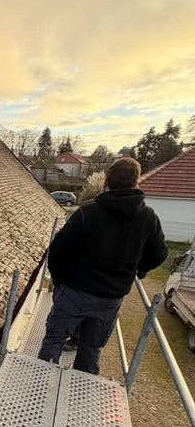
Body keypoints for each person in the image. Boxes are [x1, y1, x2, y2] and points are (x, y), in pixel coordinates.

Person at [38, 157, 167, 374]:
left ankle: (38, 385)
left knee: (53, 342)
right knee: (90, 351)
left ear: (106, 182)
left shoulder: (87, 213)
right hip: (110, 300)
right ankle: (79, 392)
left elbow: (58, 252)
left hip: (74, 293)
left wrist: (61, 282)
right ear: (136, 183)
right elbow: (159, 254)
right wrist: (139, 270)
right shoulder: (148, 218)